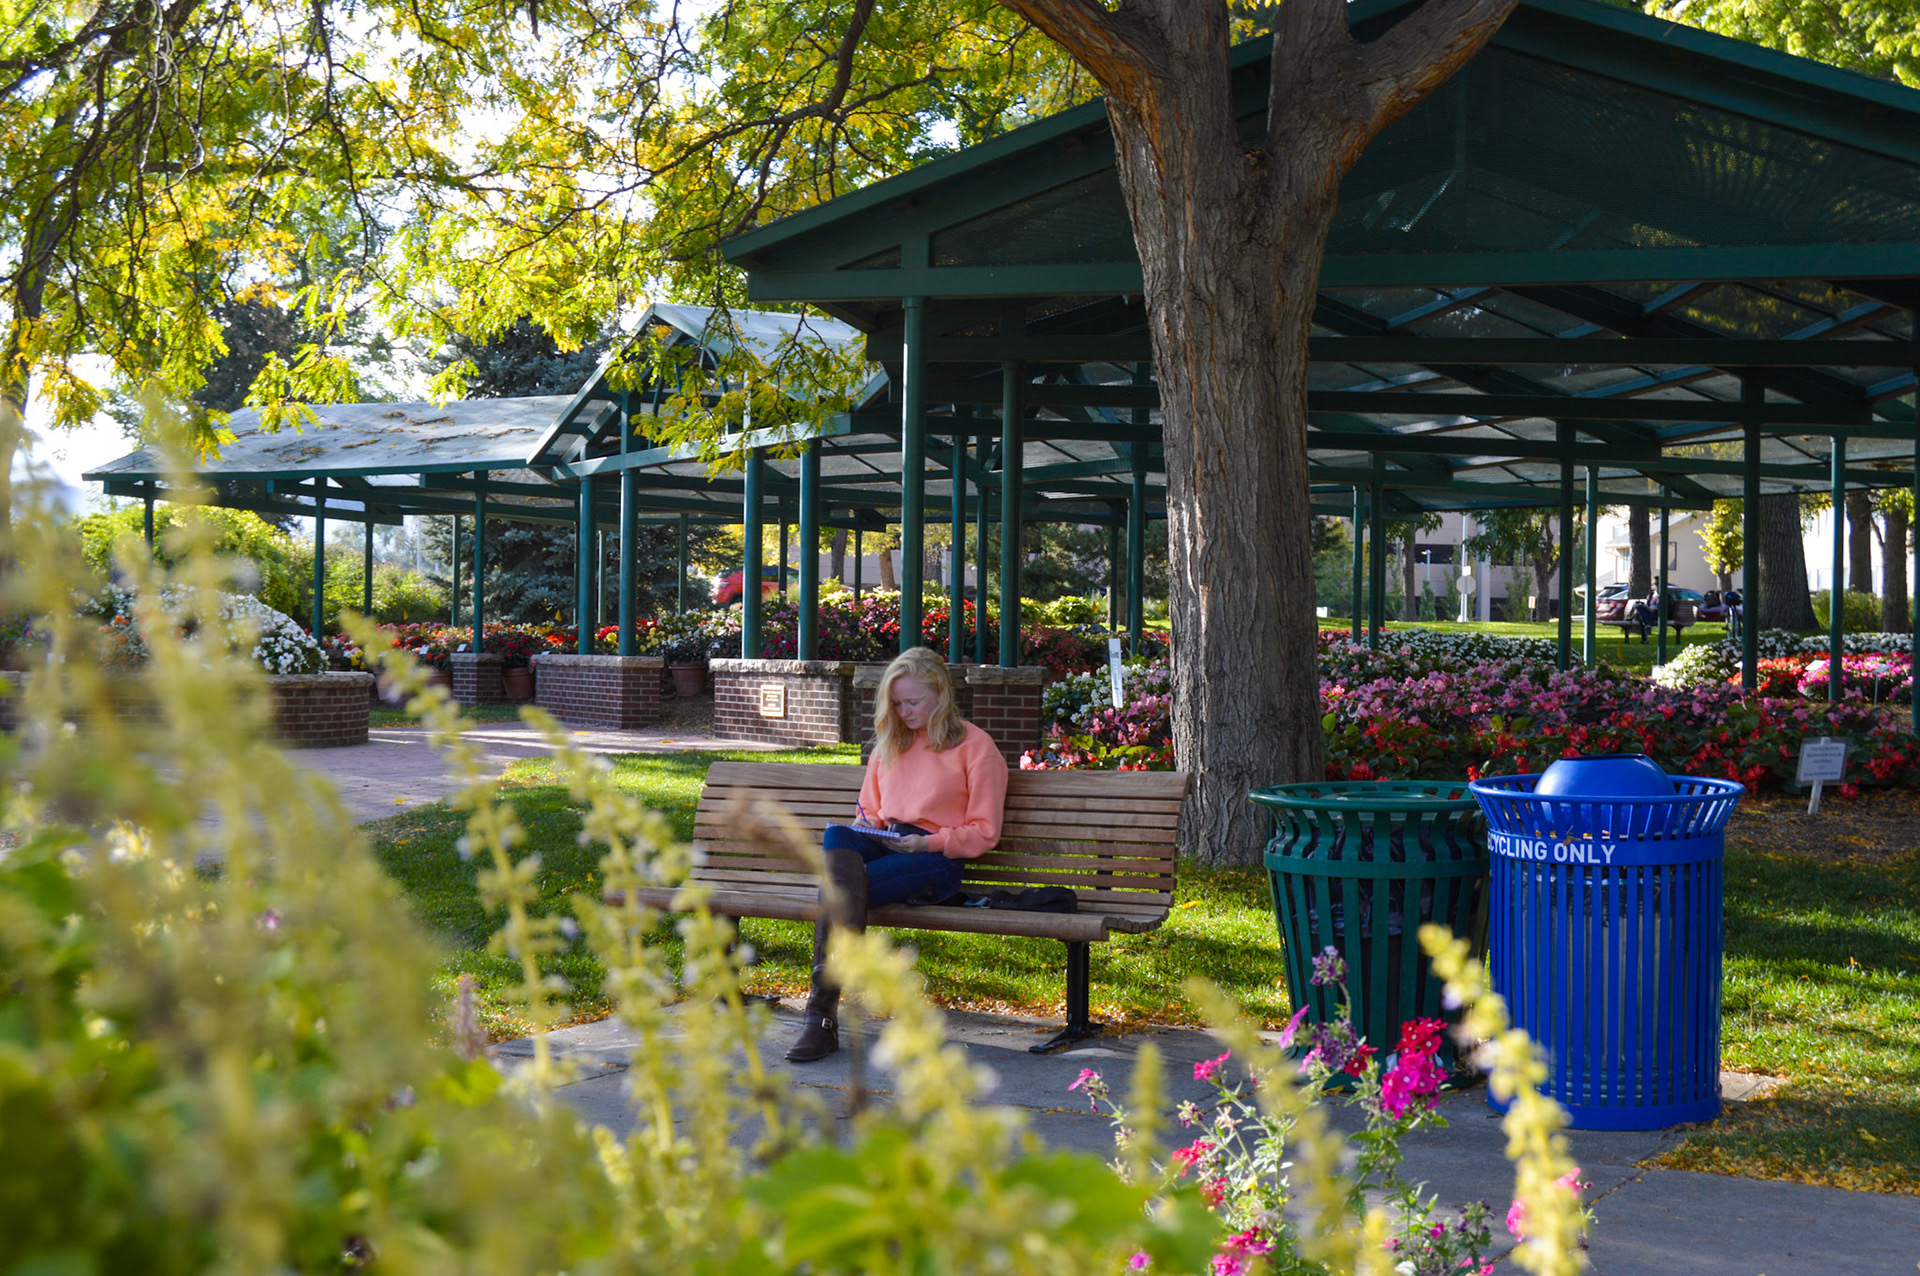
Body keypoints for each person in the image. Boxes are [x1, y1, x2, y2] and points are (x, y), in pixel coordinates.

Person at [785, 646, 1009, 1063]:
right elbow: (866, 813)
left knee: (837, 891)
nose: (904, 712)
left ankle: (820, 1017)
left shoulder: (976, 747)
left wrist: (928, 842)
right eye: (897, 703)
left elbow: (984, 833)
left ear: (940, 693)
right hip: (887, 843)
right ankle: (828, 1003)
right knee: (838, 837)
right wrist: (880, 834)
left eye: (913, 702)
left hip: (935, 859)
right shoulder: (891, 743)